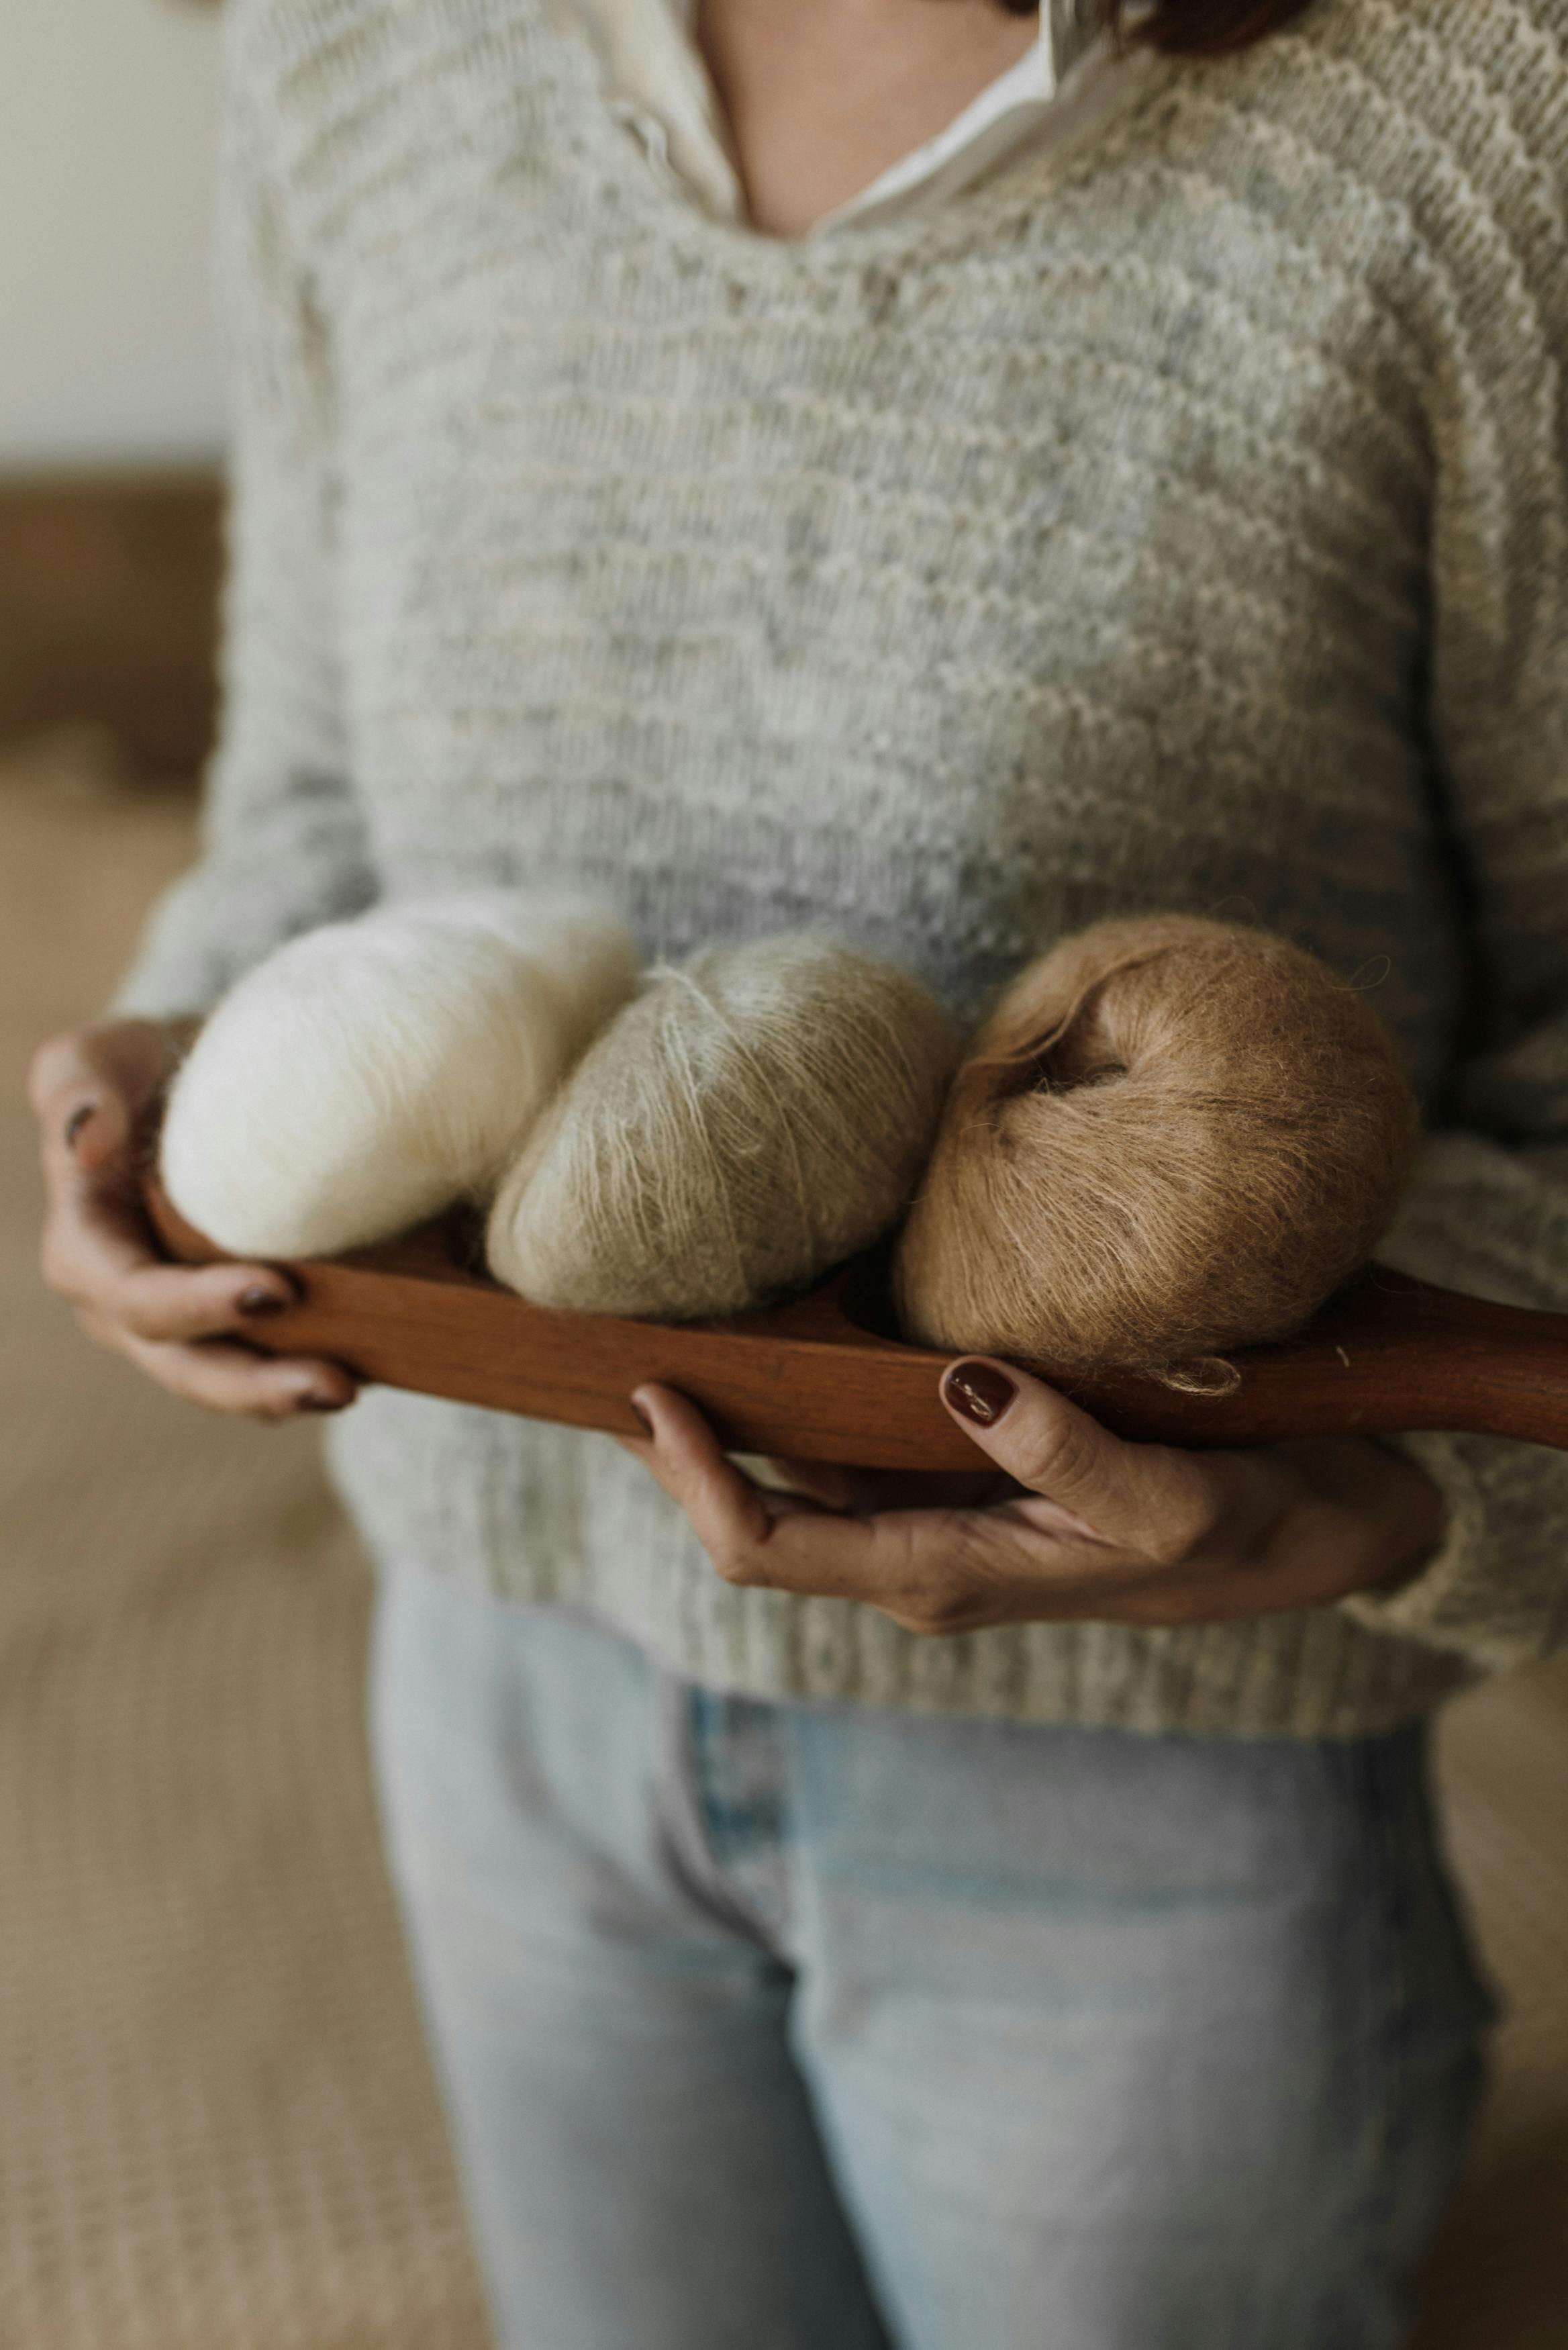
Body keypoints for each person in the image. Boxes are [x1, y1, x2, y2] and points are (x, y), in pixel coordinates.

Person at [29, 0, 1568, 2341]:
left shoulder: (1476, 110)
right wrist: (162, 1088)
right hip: (500, 1658)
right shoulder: (358, 48)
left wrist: (1378, 1491)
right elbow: (320, 810)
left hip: (1150, 1778)